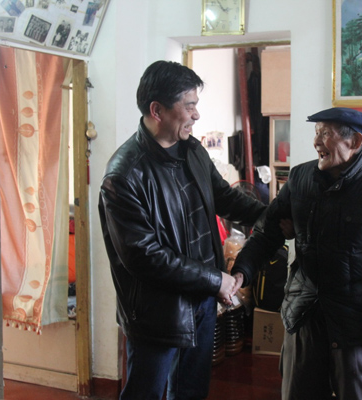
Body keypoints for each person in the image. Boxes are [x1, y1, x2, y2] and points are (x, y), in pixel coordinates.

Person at [98, 60, 266, 400]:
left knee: (191, 390)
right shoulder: (124, 175)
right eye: (189, 106)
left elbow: (224, 198)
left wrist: (272, 215)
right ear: (157, 110)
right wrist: (216, 280)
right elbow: (145, 257)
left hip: (202, 300)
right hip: (158, 313)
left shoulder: (192, 150)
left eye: (196, 105)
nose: (196, 115)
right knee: (147, 392)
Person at [231, 107, 362, 400]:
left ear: (355, 141)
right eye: (316, 132)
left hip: (357, 326)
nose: (316, 141)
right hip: (304, 314)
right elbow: (267, 231)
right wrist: (242, 271)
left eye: (326, 133)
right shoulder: (300, 178)